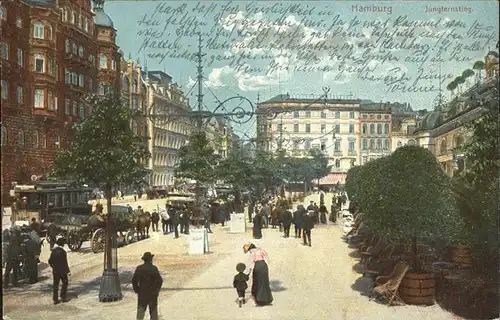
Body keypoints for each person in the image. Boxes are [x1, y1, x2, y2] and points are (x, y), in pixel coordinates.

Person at [132, 252, 163, 320]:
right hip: (152, 293)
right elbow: (160, 281)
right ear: (150, 259)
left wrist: (137, 290)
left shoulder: (139, 268)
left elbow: (134, 280)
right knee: (153, 313)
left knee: (140, 313)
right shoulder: (154, 268)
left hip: (142, 293)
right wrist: (157, 290)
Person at [48, 238, 71, 304]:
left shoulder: (53, 251)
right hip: (62, 271)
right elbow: (65, 262)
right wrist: (68, 271)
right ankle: (63, 297)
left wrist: (53, 267)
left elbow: (49, 261)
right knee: (65, 283)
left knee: (55, 285)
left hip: (55, 271)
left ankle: (55, 299)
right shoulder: (63, 252)